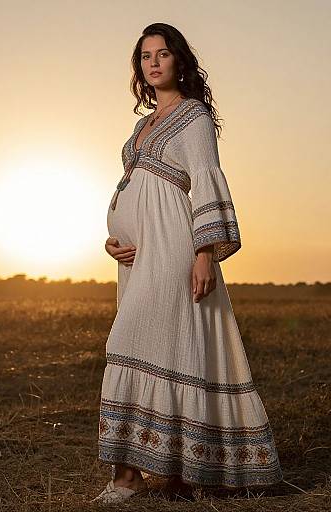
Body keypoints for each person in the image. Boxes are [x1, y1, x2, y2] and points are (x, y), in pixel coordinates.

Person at [91, 23, 283, 504]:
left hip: (175, 248)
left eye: (162, 54)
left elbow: (205, 178)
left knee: (131, 340)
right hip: (137, 256)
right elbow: (133, 193)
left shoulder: (193, 116)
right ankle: (174, 471)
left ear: (179, 60)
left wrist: (204, 254)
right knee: (165, 350)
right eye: (145, 56)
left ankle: (127, 479)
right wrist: (114, 238)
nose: (153, 63)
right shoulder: (141, 127)